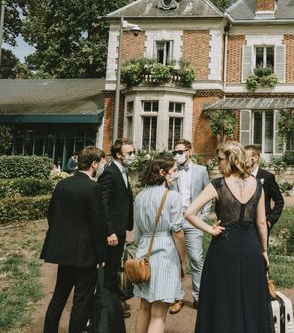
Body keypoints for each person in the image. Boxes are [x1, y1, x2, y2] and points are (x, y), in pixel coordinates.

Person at [185, 141, 275, 333]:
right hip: (250, 247)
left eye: (220, 159)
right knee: (249, 298)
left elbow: (189, 213)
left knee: (223, 298)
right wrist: (264, 250)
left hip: (224, 248)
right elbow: (261, 223)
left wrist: (209, 229)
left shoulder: (218, 184)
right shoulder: (257, 185)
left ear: (231, 159)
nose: (217, 163)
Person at [41, 146, 107, 333]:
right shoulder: (93, 187)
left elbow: (51, 214)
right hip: (85, 254)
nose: (102, 165)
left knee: (59, 297)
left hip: (64, 252)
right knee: (81, 300)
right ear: (94, 164)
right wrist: (101, 255)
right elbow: (97, 224)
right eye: (101, 162)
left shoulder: (62, 184)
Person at [133, 157, 187, 333]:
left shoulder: (140, 196)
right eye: (174, 171)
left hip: (144, 250)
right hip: (165, 251)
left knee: (144, 307)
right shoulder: (173, 197)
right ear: (163, 173)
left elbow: (138, 231)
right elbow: (178, 232)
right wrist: (183, 260)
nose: (176, 175)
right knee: (159, 313)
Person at [168, 139, 211, 314]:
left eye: (180, 152)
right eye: (175, 153)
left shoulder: (201, 170)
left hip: (193, 219)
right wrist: (171, 180)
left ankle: (198, 296)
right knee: (176, 259)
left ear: (189, 152)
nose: (177, 155)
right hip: (176, 219)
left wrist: (202, 217)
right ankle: (178, 297)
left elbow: (207, 194)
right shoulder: (172, 171)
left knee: (195, 258)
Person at [98, 138, 135, 316]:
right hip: (112, 232)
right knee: (110, 267)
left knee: (114, 266)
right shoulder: (110, 173)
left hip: (120, 229)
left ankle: (112, 301)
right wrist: (109, 231)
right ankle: (106, 306)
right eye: (129, 153)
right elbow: (102, 204)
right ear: (119, 155)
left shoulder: (123, 171)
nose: (133, 156)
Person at [245, 144, 285, 232]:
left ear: (255, 158)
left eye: (245, 158)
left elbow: (279, 201)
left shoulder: (267, 177)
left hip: (262, 224)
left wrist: (270, 221)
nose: (242, 161)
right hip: (245, 226)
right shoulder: (242, 177)